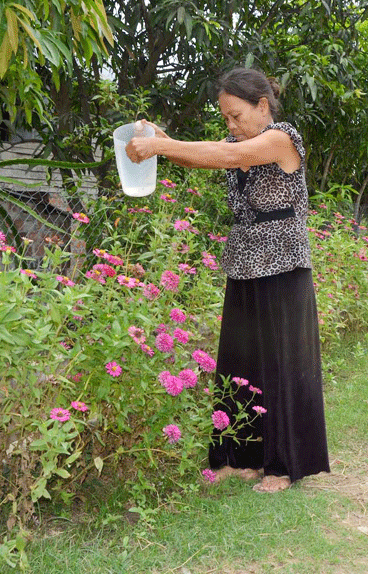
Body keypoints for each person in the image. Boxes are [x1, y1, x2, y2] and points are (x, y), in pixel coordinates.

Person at [125, 67, 329, 493]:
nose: (231, 125)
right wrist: (159, 142)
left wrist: (160, 144)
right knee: (242, 360)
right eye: (226, 118)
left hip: (283, 261)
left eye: (236, 115)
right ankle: (242, 458)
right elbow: (201, 154)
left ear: (262, 105)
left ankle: (281, 467)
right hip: (244, 261)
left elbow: (230, 157)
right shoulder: (237, 142)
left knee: (279, 363)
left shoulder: (281, 138)